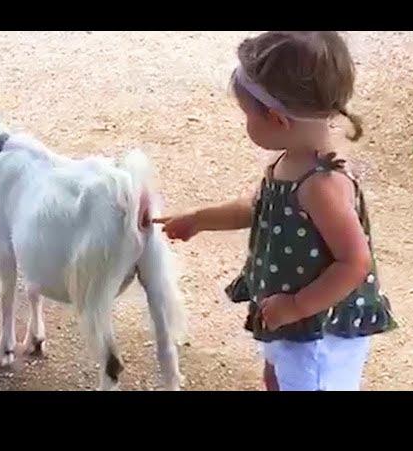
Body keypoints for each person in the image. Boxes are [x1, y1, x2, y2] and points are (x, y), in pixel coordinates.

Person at [154, 31, 397, 391]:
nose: (245, 125)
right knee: (277, 377)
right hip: (290, 318)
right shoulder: (290, 164)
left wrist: (297, 305)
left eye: (247, 116)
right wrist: (198, 220)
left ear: (277, 120)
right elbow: (254, 208)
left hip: (319, 328)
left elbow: (354, 262)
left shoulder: (321, 186)